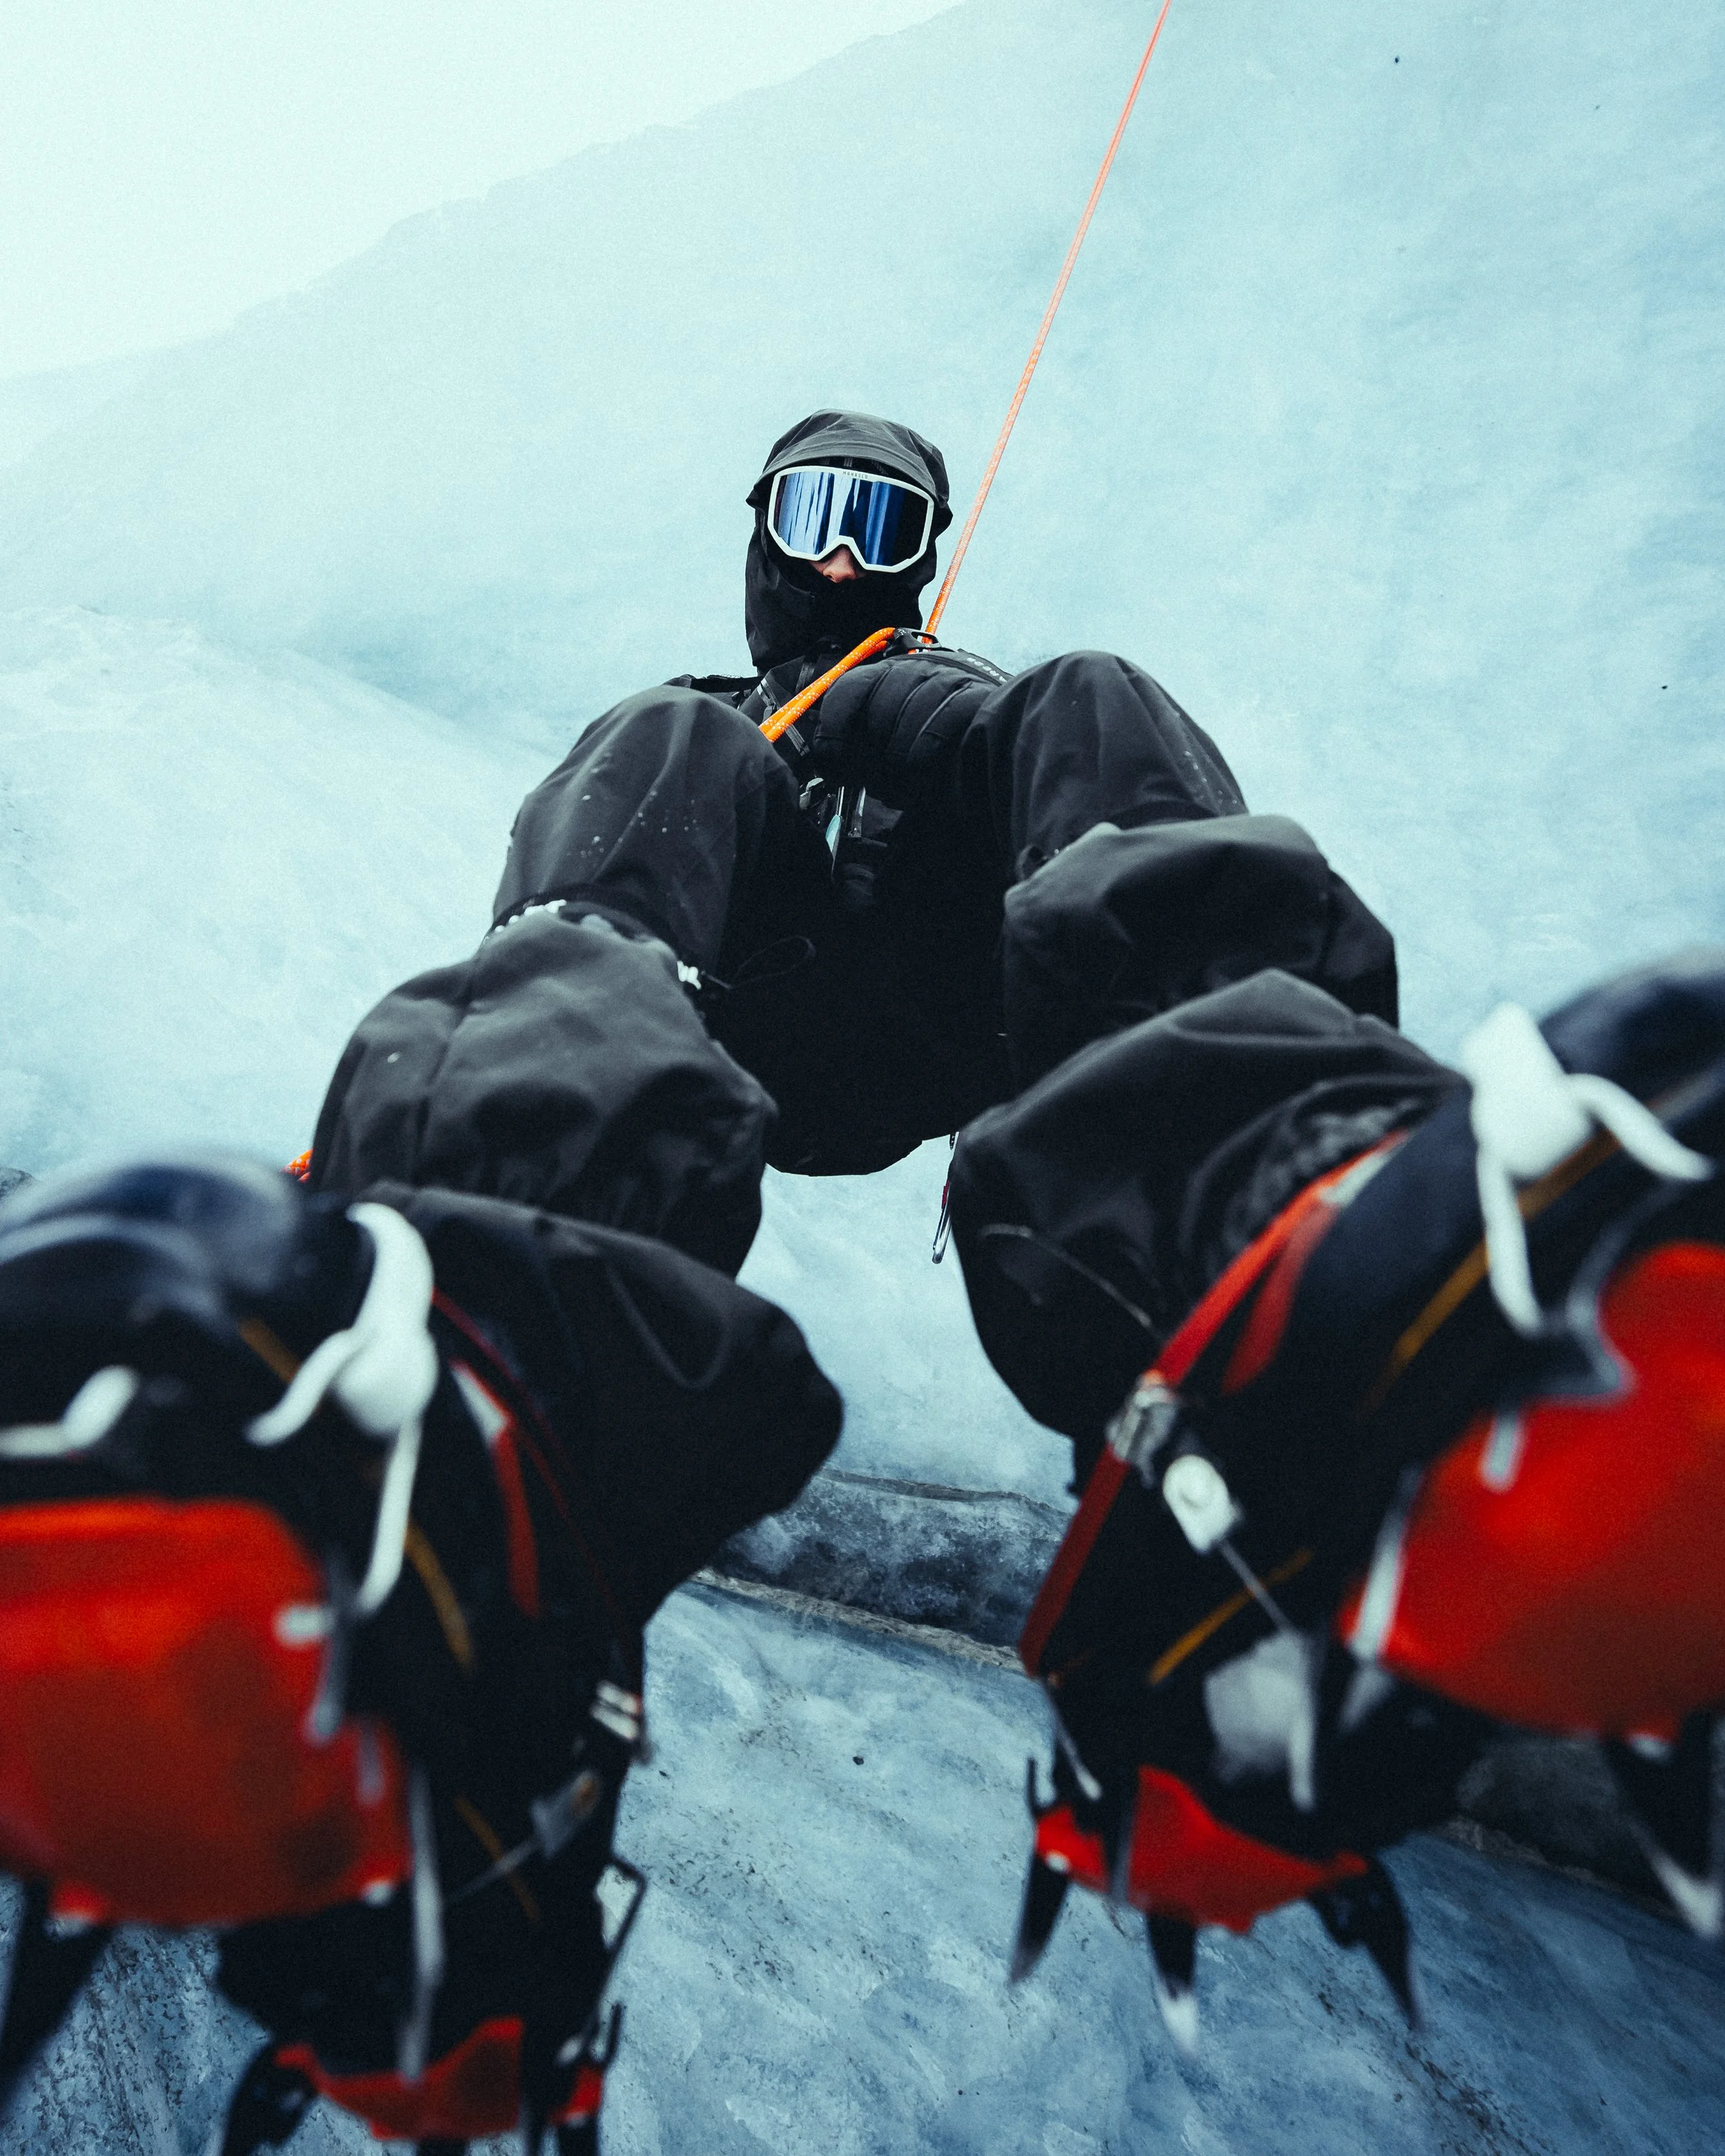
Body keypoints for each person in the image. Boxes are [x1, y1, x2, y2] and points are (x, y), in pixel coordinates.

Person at [0, 409, 1719, 2150]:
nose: (838, 559)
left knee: (1087, 695)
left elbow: (1026, 756)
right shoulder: (718, 715)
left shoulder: (939, 693)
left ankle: (1271, 1217)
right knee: (666, 740)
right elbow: (671, 806)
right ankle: (482, 1322)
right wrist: (765, 738)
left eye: (878, 523)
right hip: (753, 1012)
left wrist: (942, 719)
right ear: (759, 527)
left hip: (977, 1000)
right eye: (813, 514)